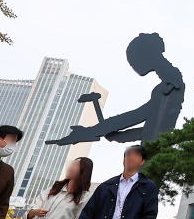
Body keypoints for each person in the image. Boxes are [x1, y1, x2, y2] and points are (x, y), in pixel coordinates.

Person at [48, 33, 184, 145]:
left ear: (145, 56)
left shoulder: (170, 86)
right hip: (150, 154)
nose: (134, 66)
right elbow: (152, 129)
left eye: (133, 61)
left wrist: (90, 131)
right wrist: (118, 135)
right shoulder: (171, 83)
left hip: (151, 157)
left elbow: (138, 116)